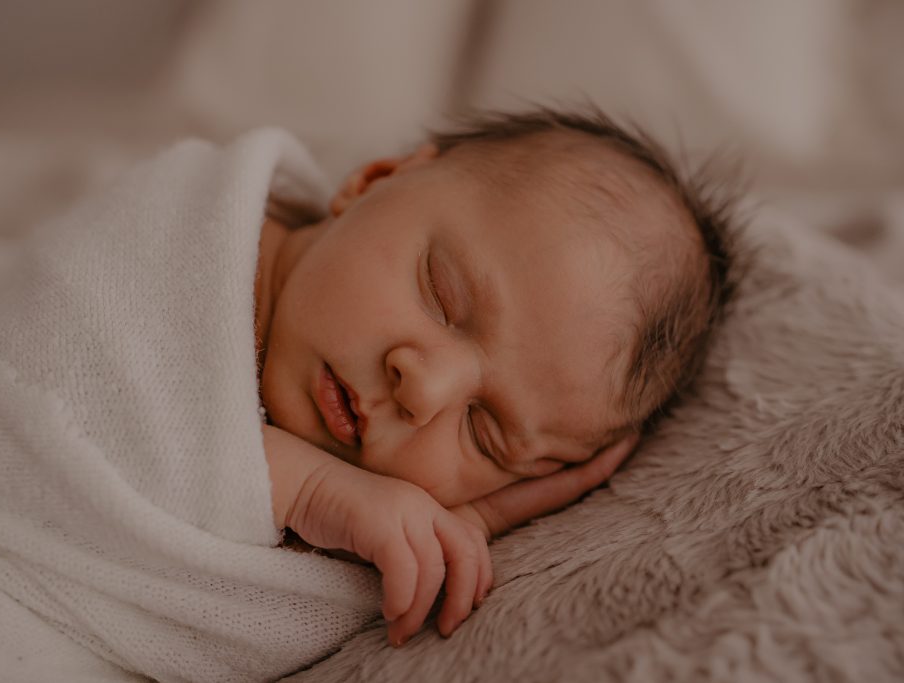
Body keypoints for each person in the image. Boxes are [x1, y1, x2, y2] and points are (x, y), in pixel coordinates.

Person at [254, 109, 735, 646]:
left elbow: (207, 618)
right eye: (440, 296)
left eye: (484, 435)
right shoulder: (198, 238)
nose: (424, 392)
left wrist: (463, 523)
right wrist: (305, 490)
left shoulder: (356, 519)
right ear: (378, 180)